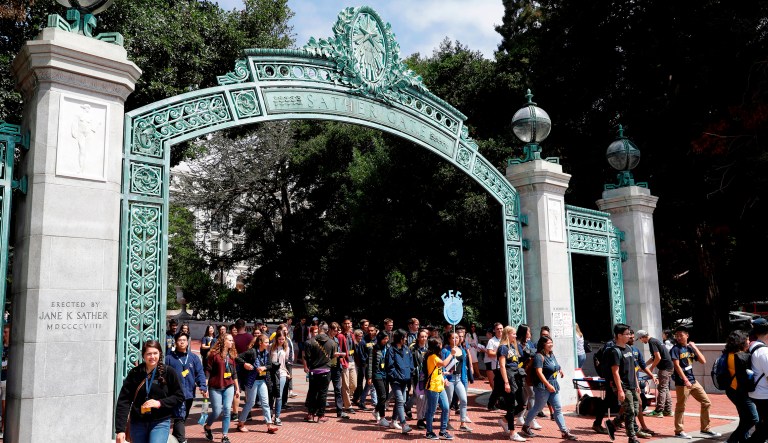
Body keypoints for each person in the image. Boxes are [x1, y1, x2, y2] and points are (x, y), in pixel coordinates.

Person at [115, 340, 184, 443]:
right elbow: (124, 401)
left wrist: (159, 403)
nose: (152, 356)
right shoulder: (135, 373)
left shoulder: (169, 372)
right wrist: (120, 430)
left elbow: (179, 396)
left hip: (160, 421)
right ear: (143, 355)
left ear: (160, 353)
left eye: (155, 353)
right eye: (149, 354)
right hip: (138, 422)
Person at [522, 335, 578, 440]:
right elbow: (539, 372)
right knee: (538, 408)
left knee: (557, 408)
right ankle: (526, 426)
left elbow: (555, 364)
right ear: (543, 344)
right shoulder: (539, 356)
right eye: (549, 343)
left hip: (553, 385)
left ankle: (564, 431)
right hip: (543, 387)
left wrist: (560, 369)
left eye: (551, 342)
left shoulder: (551, 354)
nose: (551, 344)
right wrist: (547, 385)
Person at [670, 326, 720, 439]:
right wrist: (685, 380)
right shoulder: (675, 349)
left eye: (680, 335)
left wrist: (695, 347)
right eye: (676, 335)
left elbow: (703, 361)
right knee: (681, 406)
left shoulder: (690, 348)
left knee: (706, 402)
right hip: (682, 382)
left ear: (687, 335)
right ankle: (679, 431)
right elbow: (676, 366)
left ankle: (705, 428)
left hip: (693, 381)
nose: (678, 337)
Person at [166, 332, 208, 443]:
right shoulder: (169, 358)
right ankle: (181, 439)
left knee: (182, 417)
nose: (182, 342)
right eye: (179, 340)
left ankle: (175, 438)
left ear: (187, 342)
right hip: (175, 393)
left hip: (189, 392)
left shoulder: (193, 357)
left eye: (184, 340)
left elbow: (199, 373)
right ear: (175, 342)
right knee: (180, 415)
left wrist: (202, 386)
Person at [720, 330, 757, 443]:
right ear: (741, 342)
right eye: (747, 340)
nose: (749, 342)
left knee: (744, 418)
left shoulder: (728, 354)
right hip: (740, 391)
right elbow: (745, 377)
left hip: (732, 390)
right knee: (753, 418)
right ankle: (732, 440)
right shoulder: (740, 357)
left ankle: (742, 439)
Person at [203, 333, 240, 443]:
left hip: (229, 386)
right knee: (217, 411)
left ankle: (225, 435)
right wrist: (205, 385)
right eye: (230, 340)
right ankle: (208, 427)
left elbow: (234, 374)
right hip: (215, 386)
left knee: (227, 410)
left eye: (232, 341)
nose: (232, 342)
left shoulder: (232, 355)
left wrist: (237, 388)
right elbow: (208, 370)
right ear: (223, 341)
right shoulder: (213, 355)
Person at [494, 325, 525, 441]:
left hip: (517, 376)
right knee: (511, 405)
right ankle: (513, 433)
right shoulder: (503, 348)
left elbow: (521, 358)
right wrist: (506, 382)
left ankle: (504, 420)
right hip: (509, 377)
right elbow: (502, 365)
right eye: (513, 334)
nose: (515, 336)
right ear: (507, 334)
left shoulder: (513, 346)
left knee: (522, 404)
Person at [424, 336, 456, 440]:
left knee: (446, 408)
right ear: (436, 346)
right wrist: (451, 354)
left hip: (440, 386)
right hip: (432, 387)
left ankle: (443, 431)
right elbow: (443, 363)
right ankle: (429, 431)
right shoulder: (432, 356)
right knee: (431, 411)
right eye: (440, 344)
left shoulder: (436, 356)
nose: (441, 345)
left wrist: (443, 375)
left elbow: (437, 369)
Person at [638, 329, 674, 417]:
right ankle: (668, 410)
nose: (641, 341)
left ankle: (659, 411)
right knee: (664, 388)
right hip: (668, 367)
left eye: (640, 339)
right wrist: (644, 366)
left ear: (643, 337)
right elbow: (654, 358)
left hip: (665, 368)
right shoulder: (655, 341)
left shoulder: (652, 342)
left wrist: (651, 368)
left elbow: (658, 357)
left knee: (661, 388)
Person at [304, 324, 335, 422]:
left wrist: (310, 365)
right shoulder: (332, 343)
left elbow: (307, 358)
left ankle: (310, 414)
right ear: (327, 331)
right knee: (323, 393)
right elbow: (333, 358)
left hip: (313, 371)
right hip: (326, 370)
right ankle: (321, 416)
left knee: (312, 392)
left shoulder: (309, 342)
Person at [628, 330, 656, 437]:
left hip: (634, 382)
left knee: (633, 406)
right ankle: (638, 429)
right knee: (636, 405)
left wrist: (652, 375)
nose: (632, 340)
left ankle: (615, 423)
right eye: (630, 337)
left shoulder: (635, 350)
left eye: (633, 337)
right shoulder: (622, 351)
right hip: (627, 383)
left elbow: (642, 366)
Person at [387, 328, 414, 434]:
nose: (406, 339)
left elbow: (411, 363)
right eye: (404, 337)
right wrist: (395, 375)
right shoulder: (391, 350)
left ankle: (393, 421)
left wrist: (409, 372)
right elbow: (390, 365)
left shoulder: (406, 349)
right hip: (396, 380)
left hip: (405, 379)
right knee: (400, 400)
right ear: (400, 338)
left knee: (400, 401)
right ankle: (404, 424)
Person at [749, 319, 768, 443]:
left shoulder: (752, 346)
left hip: (755, 392)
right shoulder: (764, 352)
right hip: (764, 394)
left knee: (762, 424)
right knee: (764, 428)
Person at [368, 330, 391, 427]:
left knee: (385, 396)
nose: (386, 341)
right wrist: (369, 376)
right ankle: (382, 417)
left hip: (386, 374)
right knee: (382, 396)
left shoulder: (388, 348)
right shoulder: (373, 348)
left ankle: (376, 410)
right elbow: (370, 363)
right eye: (384, 339)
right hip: (377, 374)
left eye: (387, 339)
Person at [269, 330, 290, 426]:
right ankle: (270, 413)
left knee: (279, 395)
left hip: (281, 373)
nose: (281, 341)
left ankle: (277, 416)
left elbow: (287, 361)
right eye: (279, 339)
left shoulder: (286, 348)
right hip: (271, 373)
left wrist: (287, 372)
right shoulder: (271, 347)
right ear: (276, 339)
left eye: (283, 339)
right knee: (271, 394)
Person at [411, 328, 429, 430]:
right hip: (417, 377)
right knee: (420, 398)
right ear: (418, 338)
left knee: (426, 398)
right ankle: (420, 419)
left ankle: (424, 416)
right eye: (422, 336)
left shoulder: (428, 349)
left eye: (425, 336)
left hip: (427, 377)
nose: (424, 338)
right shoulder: (413, 350)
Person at [485, 323, 504, 395]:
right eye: (497, 329)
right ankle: (494, 402)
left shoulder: (506, 339)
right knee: (496, 385)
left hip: (506, 365)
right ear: (494, 330)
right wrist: (500, 353)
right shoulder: (491, 341)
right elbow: (489, 353)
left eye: (501, 328)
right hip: (496, 366)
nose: (499, 330)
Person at [1, 323, 8, 438]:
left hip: (6, 381)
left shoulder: (14, 349)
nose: (3, 334)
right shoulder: (2, 347)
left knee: (4, 407)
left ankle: (3, 428)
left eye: (6, 332)